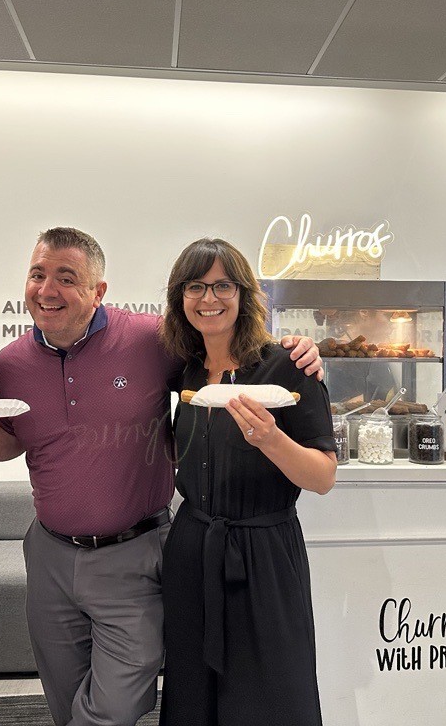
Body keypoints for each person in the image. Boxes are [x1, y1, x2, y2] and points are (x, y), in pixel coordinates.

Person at [0, 227, 321, 726]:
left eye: (66, 278)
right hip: (49, 552)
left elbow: (224, 355)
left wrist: (299, 350)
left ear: (98, 291)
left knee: (114, 707)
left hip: (134, 550)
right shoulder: (12, 362)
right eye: (37, 274)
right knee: (65, 697)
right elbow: (14, 438)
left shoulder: (151, 340)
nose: (47, 289)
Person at [157, 238, 336, 726]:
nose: (209, 298)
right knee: (194, 693)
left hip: (265, 555)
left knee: (272, 695)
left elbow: (322, 477)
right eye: (195, 286)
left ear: (244, 294)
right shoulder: (185, 368)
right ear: (180, 298)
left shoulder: (288, 367)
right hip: (193, 547)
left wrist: (271, 440)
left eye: (222, 285)